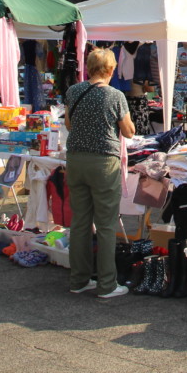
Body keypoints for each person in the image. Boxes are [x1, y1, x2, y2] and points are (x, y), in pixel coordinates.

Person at [64, 47, 135, 299]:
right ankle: (107, 284)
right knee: (105, 224)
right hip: (103, 161)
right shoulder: (115, 96)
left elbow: (69, 124)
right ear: (110, 69)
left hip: (75, 159)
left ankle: (79, 279)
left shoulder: (74, 91)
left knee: (80, 222)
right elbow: (128, 131)